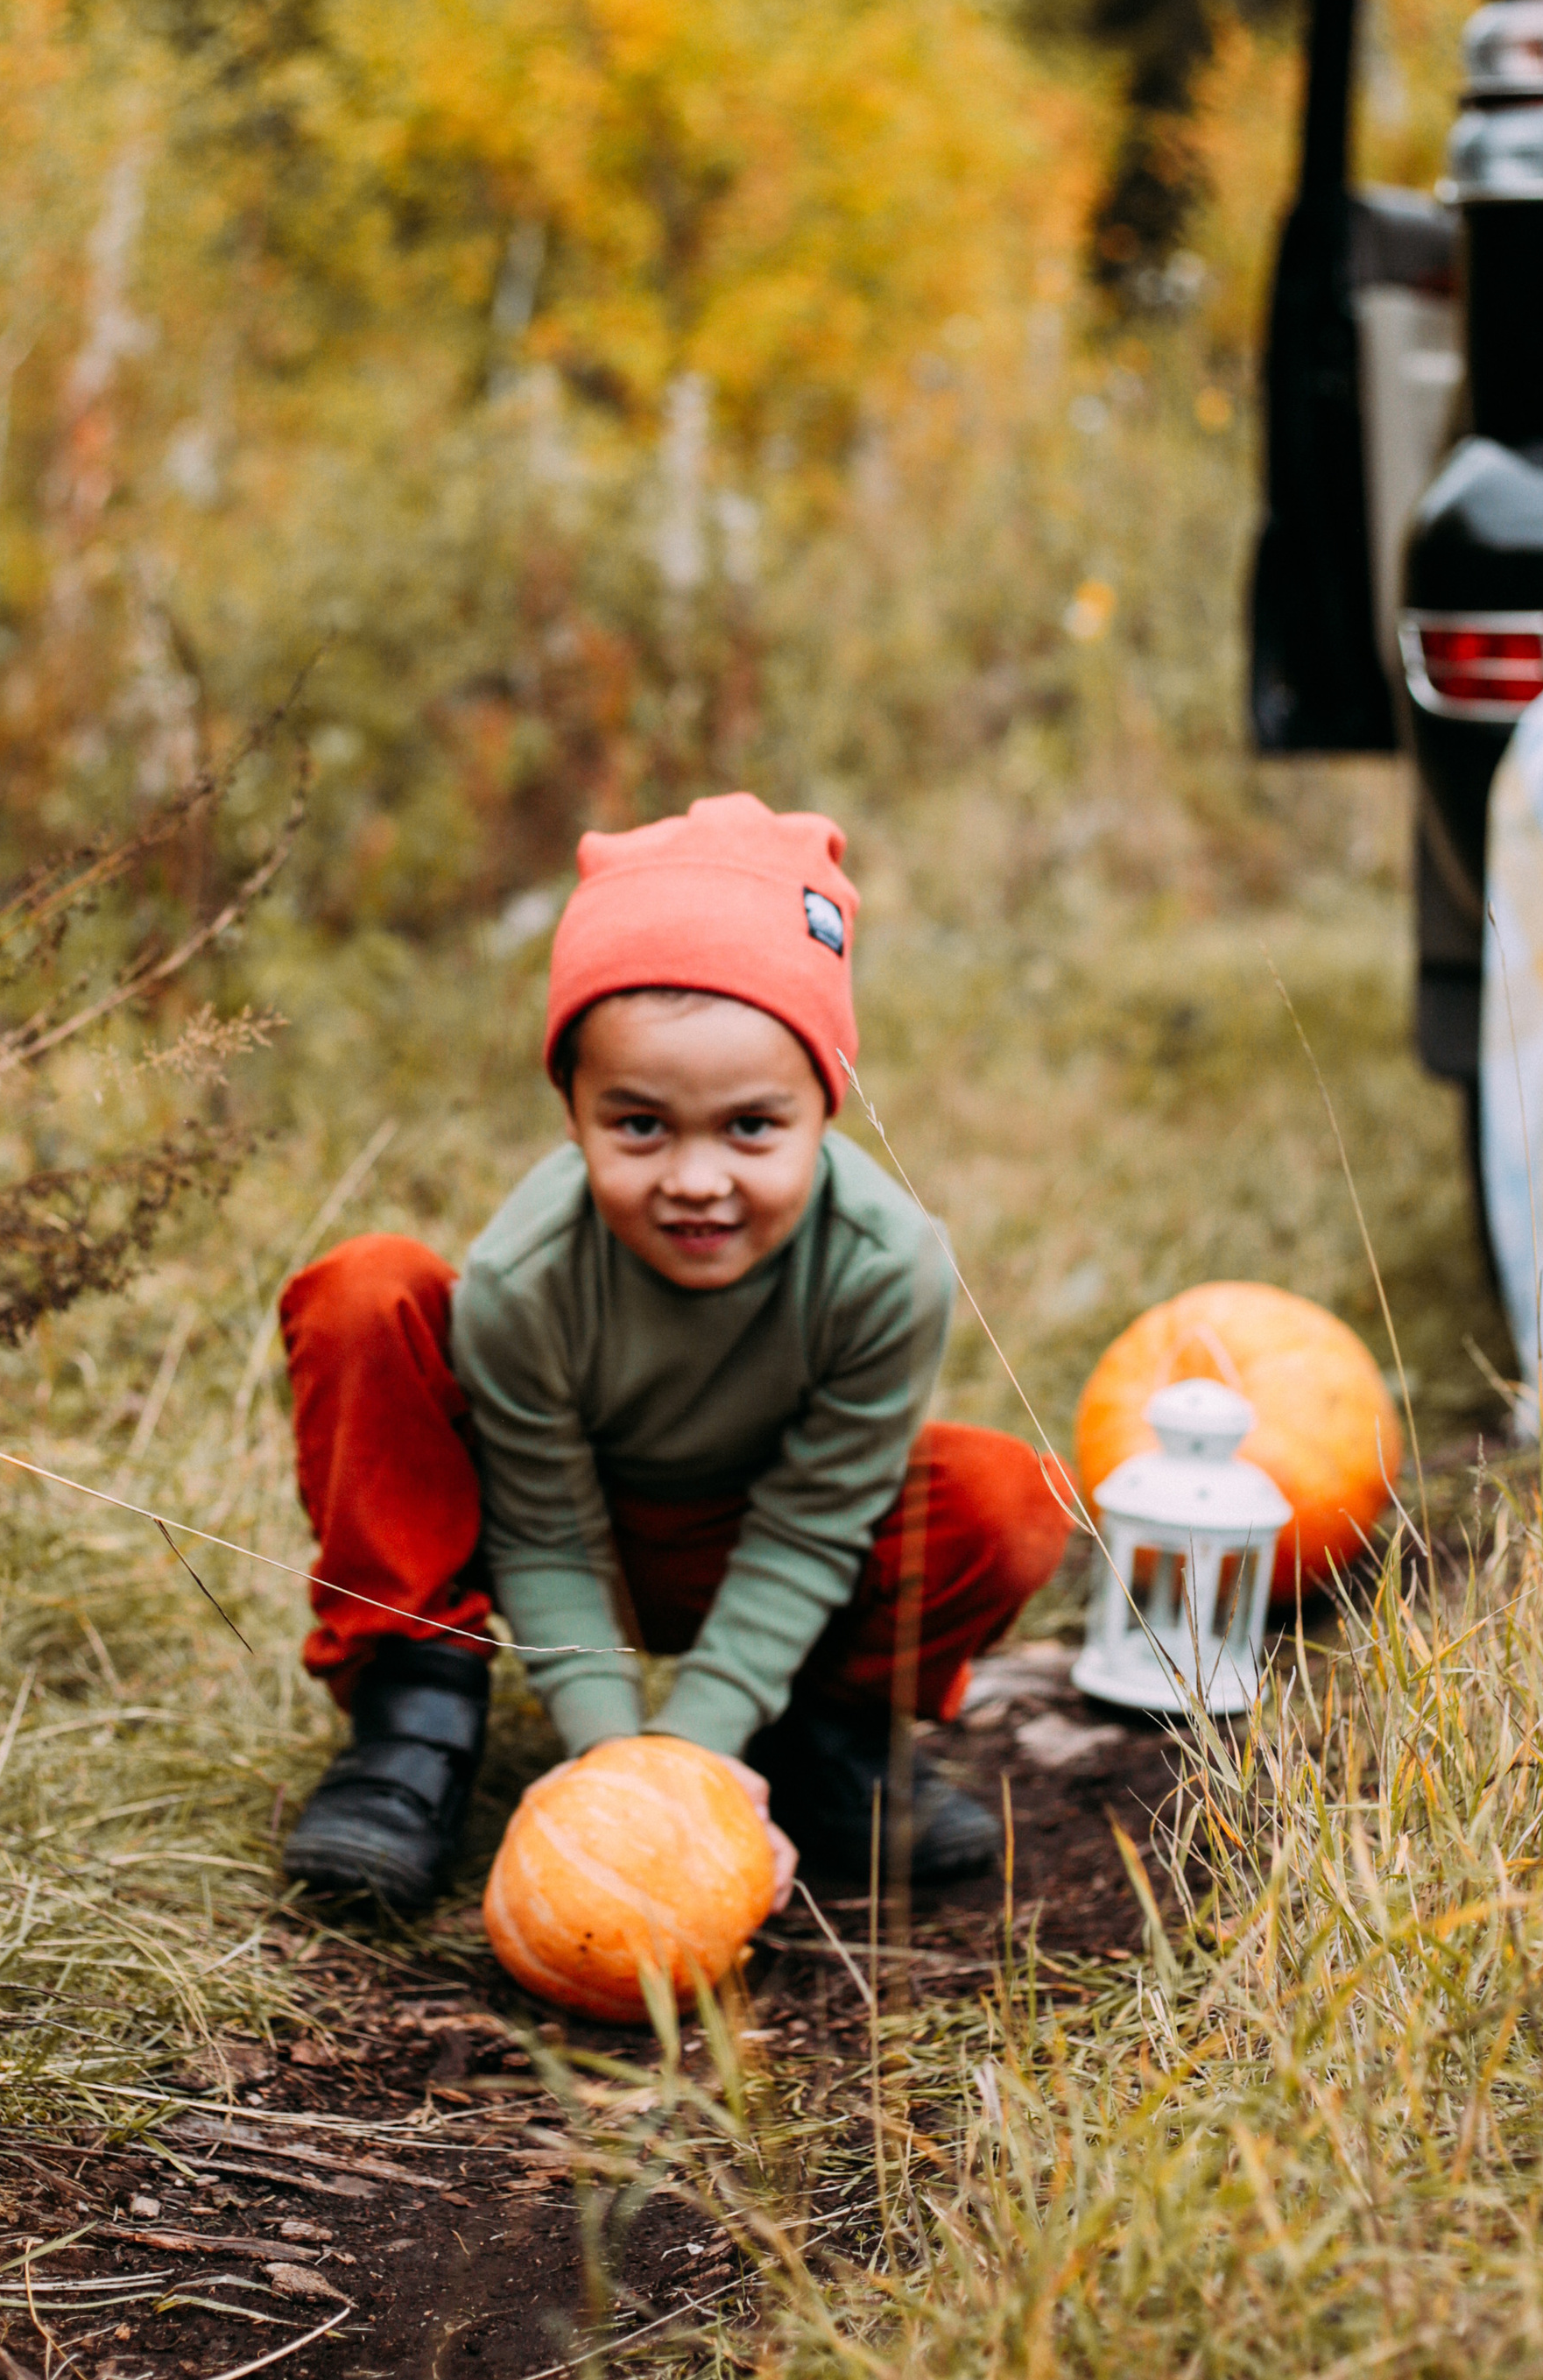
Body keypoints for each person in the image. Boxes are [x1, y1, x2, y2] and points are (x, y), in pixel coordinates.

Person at [276, 790, 1074, 1914]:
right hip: (540, 1534)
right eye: (639, 1124)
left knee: (1006, 1496)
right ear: (572, 1110)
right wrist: (617, 1763)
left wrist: (688, 1759)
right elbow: (544, 1527)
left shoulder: (888, 1267)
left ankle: (818, 1739)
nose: (696, 1179)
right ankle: (415, 1726)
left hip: (757, 1544)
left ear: (824, 1107)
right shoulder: (528, 1276)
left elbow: (812, 1521)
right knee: (367, 1291)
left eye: (751, 1126)